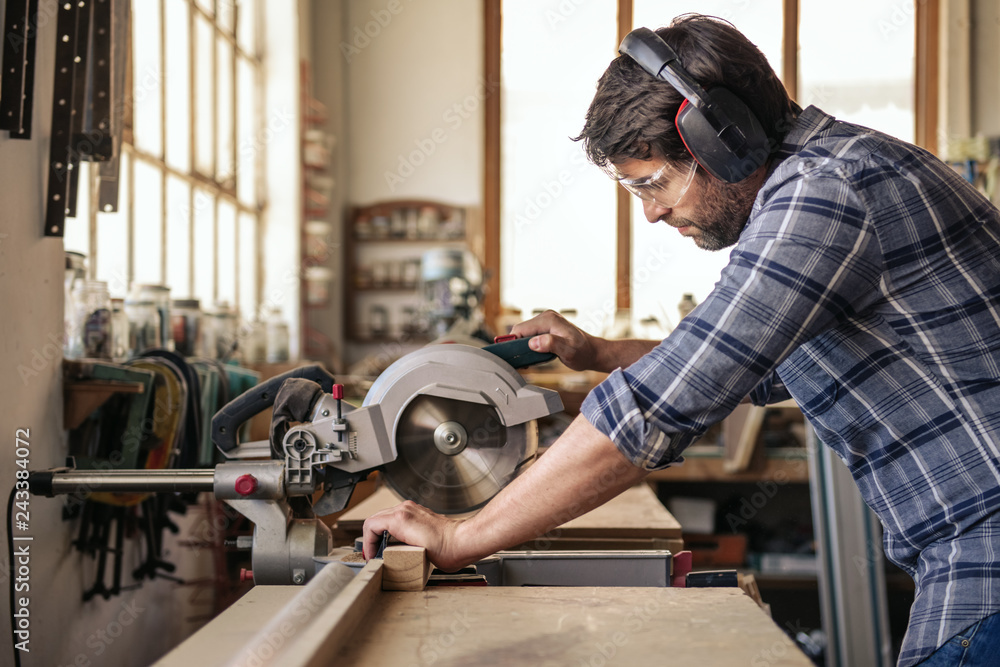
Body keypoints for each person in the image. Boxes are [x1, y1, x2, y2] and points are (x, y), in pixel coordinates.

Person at [362, 14, 1000, 666]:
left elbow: (661, 406)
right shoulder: (837, 172)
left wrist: (461, 536)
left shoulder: (826, 194)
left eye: (652, 183)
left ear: (723, 141)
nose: (652, 212)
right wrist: (602, 353)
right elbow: (748, 372)